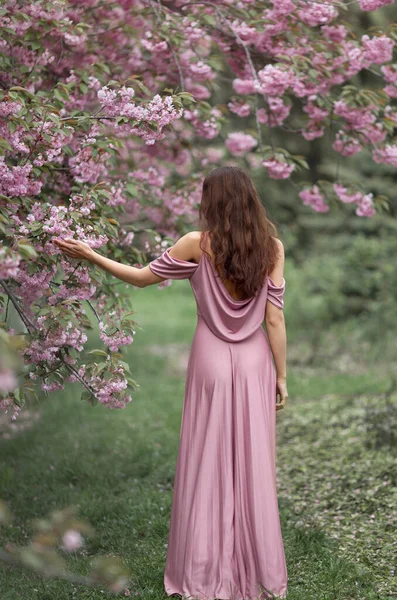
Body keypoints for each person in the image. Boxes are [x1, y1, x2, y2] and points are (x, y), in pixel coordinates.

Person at [54, 165, 289, 600]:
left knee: (206, 460)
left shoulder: (197, 245)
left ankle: (201, 569)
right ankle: (258, 568)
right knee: (253, 461)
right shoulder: (272, 248)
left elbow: (143, 278)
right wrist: (283, 376)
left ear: (211, 201)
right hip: (256, 361)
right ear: (251, 199)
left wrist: (92, 255)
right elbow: (274, 319)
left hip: (211, 357)